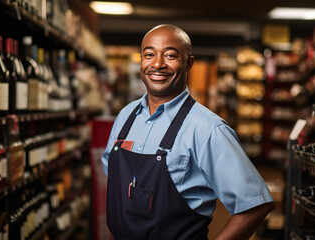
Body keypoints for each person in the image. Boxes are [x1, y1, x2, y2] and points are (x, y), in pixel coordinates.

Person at [101, 24, 274, 240]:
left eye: (171, 55)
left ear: (188, 63)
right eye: (149, 54)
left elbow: (255, 205)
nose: (157, 64)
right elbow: (117, 184)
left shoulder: (208, 129)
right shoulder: (126, 116)